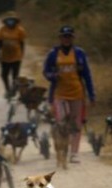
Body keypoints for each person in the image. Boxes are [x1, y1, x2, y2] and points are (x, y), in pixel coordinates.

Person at [43, 25, 96, 164]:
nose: (66, 39)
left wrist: (92, 95)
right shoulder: (53, 54)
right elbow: (46, 71)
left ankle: (74, 153)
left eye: (69, 37)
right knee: (61, 122)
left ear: (72, 38)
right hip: (59, 93)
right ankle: (62, 148)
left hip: (77, 93)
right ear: (60, 38)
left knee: (76, 124)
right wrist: (53, 76)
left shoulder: (79, 53)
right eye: (64, 36)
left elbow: (87, 75)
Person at [0, 11, 26, 99]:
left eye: (12, 20)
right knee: (4, 74)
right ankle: (7, 89)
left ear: (15, 21)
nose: (10, 22)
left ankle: (13, 91)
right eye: (9, 20)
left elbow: (22, 43)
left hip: (16, 56)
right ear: (6, 21)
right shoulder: (2, 30)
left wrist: (22, 54)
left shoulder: (20, 30)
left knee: (15, 76)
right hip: (4, 57)